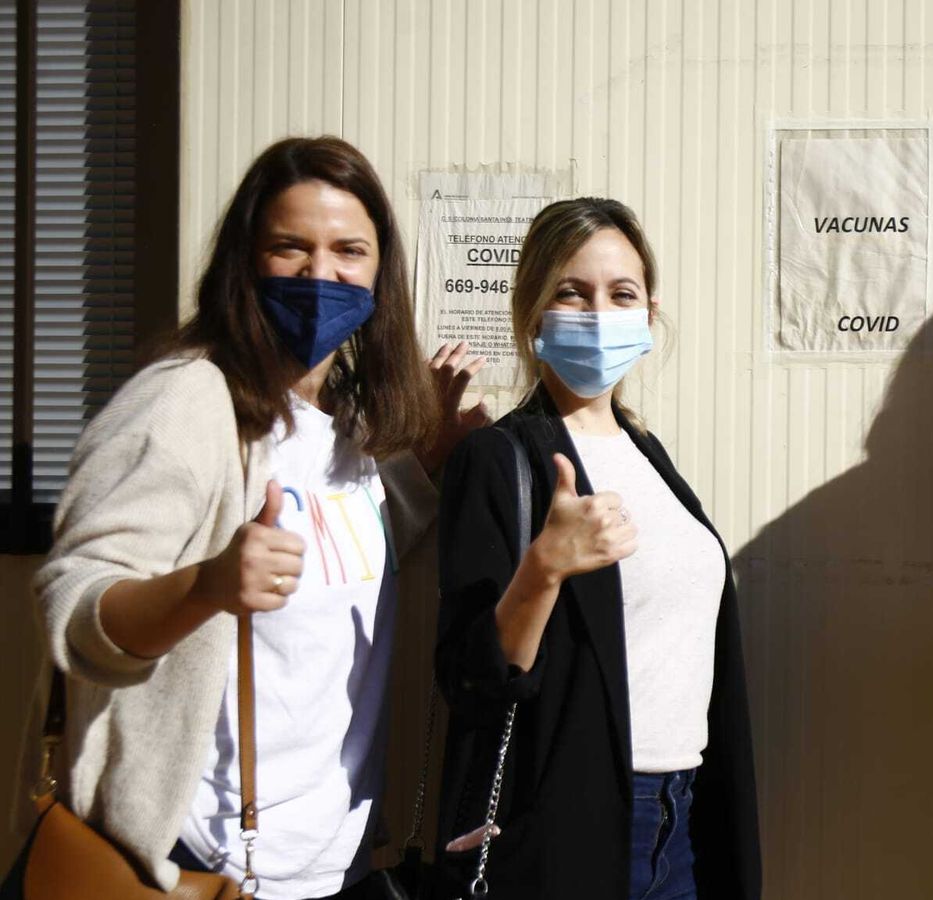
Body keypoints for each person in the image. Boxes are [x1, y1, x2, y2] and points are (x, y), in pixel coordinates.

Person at [24, 135, 489, 898]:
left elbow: (357, 554)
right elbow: (74, 611)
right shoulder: (184, 403)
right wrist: (204, 587)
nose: (320, 274)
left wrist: (429, 458)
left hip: (337, 863)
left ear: (381, 274)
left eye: (348, 251)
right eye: (289, 248)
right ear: (244, 262)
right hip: (204, 861)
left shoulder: (353, 429)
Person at [433, 198, 759, 899]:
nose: (599, 313)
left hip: (684, 818)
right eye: (571, 292)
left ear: (650, 314)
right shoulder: (499, 458)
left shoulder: (649, 452)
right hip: (577, 823)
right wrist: (544, 569)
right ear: (532, 312)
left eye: (621, 294)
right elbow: (468, 677)